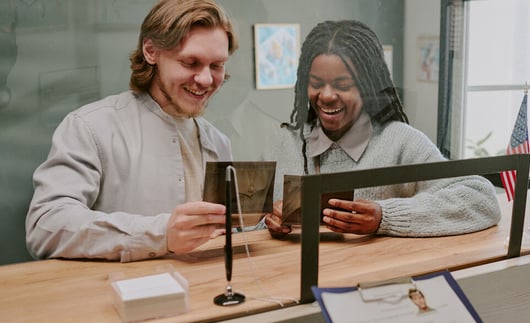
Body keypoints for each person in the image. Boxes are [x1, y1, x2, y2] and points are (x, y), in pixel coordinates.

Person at [25, 0, 238, 262]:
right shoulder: (90, 127)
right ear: (151, 51)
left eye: (216, 65)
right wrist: (160, 234)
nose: (206, 79)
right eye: (190, 62)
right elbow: (46, 226)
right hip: (115, 299)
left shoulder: (219, 142)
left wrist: (268, 223)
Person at [262, 20, 501, 238]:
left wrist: (385, 217)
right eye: (315, 84)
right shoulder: (282, 143)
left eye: (342, 85)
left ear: (368, 87)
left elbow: (481, 199)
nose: (326, 96)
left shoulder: (401, 141)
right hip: (295, 281)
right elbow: (241, 225)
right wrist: (268, 222)